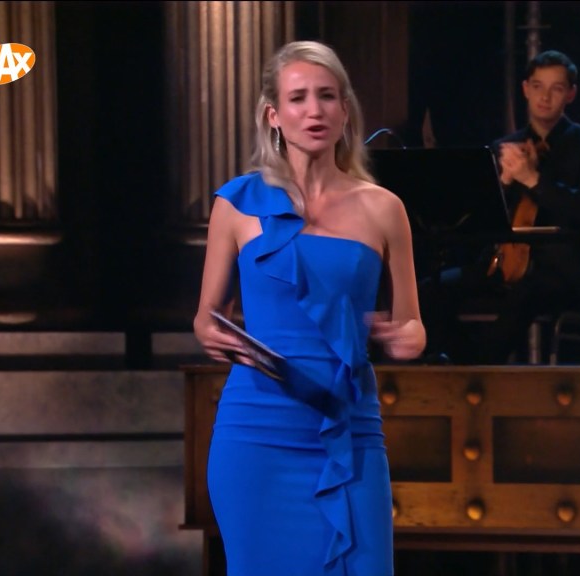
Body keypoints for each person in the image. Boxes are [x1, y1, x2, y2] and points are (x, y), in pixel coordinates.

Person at [192, 40, 426, 575]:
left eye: (327, 96)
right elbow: (207, 314)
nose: (314, 110)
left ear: (345, 110)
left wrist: (407, 336)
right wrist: (209, 330)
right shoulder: (236, 204)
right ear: (273, 115)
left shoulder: (384, 208)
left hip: (348, 428)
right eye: (298, 98)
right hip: (257, 433)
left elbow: (413, 322)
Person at [418, 49, 580, 365]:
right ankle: (465, 363)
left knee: (525, 293)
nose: (545, 97)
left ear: (571, 94)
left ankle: (479, 371)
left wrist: (533, 179)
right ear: (525, 89)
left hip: (559, 270)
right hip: (501, 263)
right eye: (537, 86)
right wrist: (504, 184)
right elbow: (478, 222)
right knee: (429, 290)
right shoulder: (504, 146)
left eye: (556, 88)